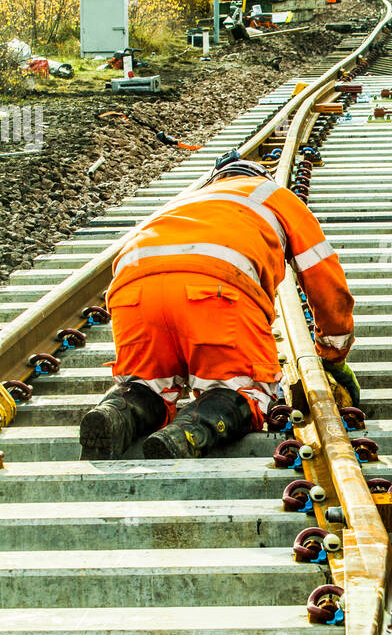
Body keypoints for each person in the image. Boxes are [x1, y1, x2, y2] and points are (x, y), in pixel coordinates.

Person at [79, 151, 358, 460]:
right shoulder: (276, 196)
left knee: (147, 385)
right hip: (215, 293)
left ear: (217, 179)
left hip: (133, 295)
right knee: (243, 391)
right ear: (258, 176)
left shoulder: (187, 201)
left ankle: (117, 412)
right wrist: (334, 353)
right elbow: (326, 282)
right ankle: (189, 431)